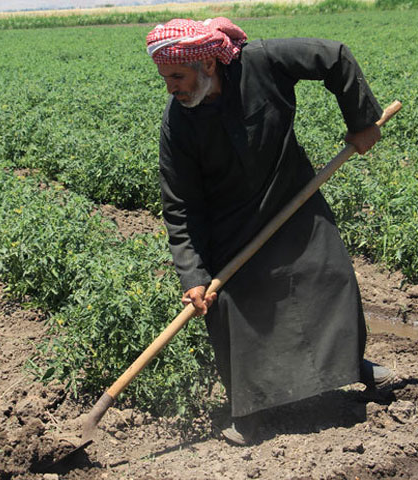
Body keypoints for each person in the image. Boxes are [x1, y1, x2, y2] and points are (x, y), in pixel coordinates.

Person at [146, 18, 394, 445]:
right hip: (232, 226)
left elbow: (334, 56)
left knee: (328, 277)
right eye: (166, 78)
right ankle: (250, 410)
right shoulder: (179, 123)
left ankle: (352, 367)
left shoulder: (262, 62)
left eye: (177, 77)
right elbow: (181, 205)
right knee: (237, 312)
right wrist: (194, 277)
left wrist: (362, 120)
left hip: (292, 199)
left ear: (207, 63)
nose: (171, 88)